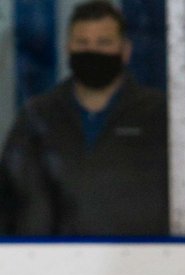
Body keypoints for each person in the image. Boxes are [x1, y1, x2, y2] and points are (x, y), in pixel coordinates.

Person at [0, 1, 168, 237]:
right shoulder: (36, 116)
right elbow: (7, 196)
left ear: (125, 51)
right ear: (68, 48)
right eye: (83, 43)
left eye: (104, 43)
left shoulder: (159, 115)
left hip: (137, 264)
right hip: (45, 265)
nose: (93, 51)